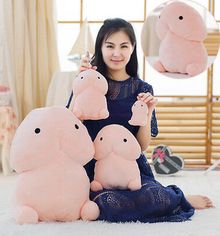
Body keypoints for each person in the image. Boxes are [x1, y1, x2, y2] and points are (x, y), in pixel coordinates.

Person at [67, 18, 213, 223]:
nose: (117, 53)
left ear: (132, 48)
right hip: (93, 169)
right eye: (110, 46)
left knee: (155, 200)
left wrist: (149, 111)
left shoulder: (142, 89)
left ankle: (178, 198)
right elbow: (70, 126)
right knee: (108, 205)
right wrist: (80, 81)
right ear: (100, 48)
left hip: (130, 170)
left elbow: (141, 146)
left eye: (123, 46)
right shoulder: (89, 81)